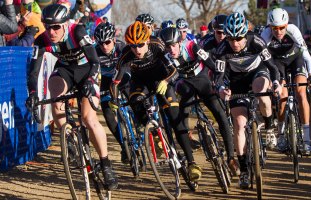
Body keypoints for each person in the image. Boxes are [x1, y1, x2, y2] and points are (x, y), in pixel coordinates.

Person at [26, 4, 118, 190]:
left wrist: (91, 84)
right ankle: (68, 137)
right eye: (47, 26)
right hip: (66, 69)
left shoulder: (78, 31)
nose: (51, 32)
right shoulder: (42, 40)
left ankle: (106, 164)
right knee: (54, 89)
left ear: (65, 24)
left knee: (88, 118)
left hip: (88, 70)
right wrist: (34, 94)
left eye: (56, 27)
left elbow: (94, 62)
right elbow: (33, 73)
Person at [111, 21, 202, 181]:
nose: (137, 50)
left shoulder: (157, 45)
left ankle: (191, 162)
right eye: (133, 46)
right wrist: (114, 99)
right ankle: (155, 134)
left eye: (140, 45)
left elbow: (174, 70)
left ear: (146, 41)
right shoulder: (126, 54)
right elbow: (115, 82)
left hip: (161, 79)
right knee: (135, 101)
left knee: (175, 119)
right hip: (140, 83)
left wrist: (166, 81)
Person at [159, 26, 239, 176]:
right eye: (168, 46)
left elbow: (211, 63)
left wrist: (220, 82)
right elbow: (169, 78)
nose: (171, 49)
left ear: (179, 42)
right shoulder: (165, 58)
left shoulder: (191, 46)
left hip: (201, 79)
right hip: (183, 83)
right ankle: (191, 163)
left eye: (174, 45)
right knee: (180, 120)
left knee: (220, 113)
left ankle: (231, 158)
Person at [215, 13, 281, 189]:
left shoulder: (256, 41)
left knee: (261, 92)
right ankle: (244, 170)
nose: (235, 43)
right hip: (237, 82)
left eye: (239, 38)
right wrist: (222, 89)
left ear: (246, 34)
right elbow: (219, 78)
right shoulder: (222, 49)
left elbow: (273, 67)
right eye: (230, 39)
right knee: (238, 123)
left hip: (257, 73)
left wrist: (275, 83)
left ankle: (269, 126)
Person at [261, 8, 311, 156]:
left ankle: (307, 138)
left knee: (301, 93)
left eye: (281, 28)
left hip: (295, 59)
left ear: (286, 25)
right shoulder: (265, 35)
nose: (278, 31)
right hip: (278, 63)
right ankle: (282, 135)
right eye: (275, 28)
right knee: (282, 96)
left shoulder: (293, 30)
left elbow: (307, 56)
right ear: (270, 27)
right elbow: (259, 59)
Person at [94, 22, 129, 163]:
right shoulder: (95, 52)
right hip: (106, 81)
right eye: (101, 43)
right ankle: (124, 146)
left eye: (107, 42)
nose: (104, 46)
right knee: (108, 115)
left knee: (132, 95)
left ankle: (138, 126)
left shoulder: (122, 48)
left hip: (123, 76)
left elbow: (129, 67)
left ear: (114, 39)